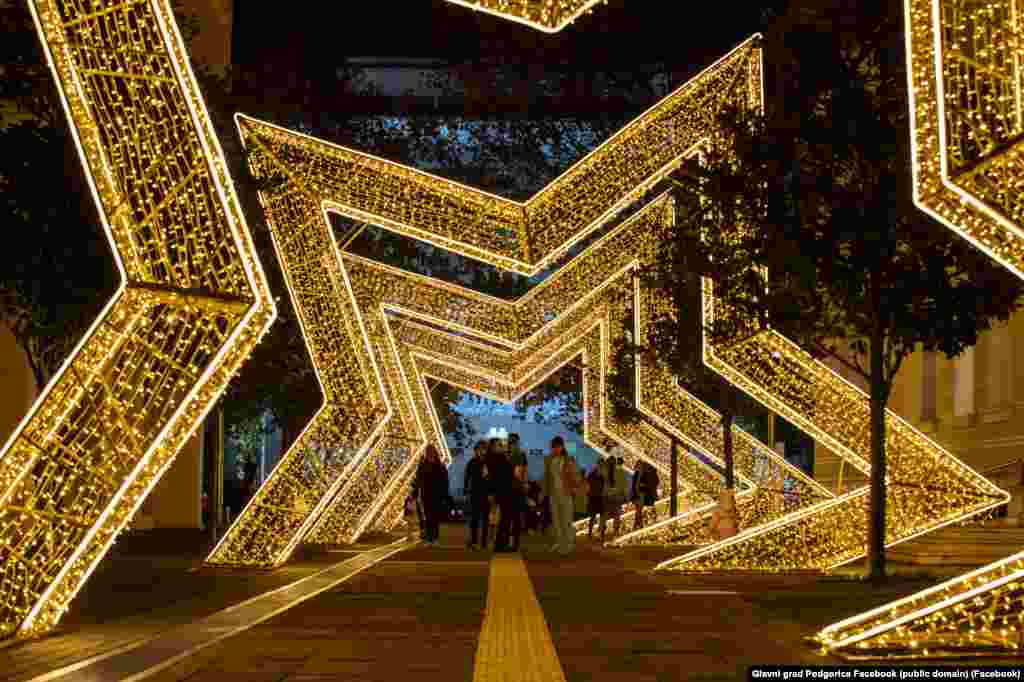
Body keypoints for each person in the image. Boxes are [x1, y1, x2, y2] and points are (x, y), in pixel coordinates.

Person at [542, 436, 580, 555]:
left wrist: (575, 487)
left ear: (562, 447)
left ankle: (567, 545)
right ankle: (560, 543)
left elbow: (575, 476)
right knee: (556, 521)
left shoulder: (569, 459)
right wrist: (544, 492)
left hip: (566, 493)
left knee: (566, 520)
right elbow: (546, 477)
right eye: (553, 447)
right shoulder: (548, 460)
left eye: (558, 447)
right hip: (553, 494)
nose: (555, 449)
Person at [490, 438, 520, 552]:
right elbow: (504, 475)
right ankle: (500, 544)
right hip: (504, 492)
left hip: (504, 492)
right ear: (493, 447)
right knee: (505, 519)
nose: (501, 447)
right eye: (499, 445)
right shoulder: (497, 458)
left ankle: (502, 543)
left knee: (505, 519)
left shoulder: (497, 457)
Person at [415, 445, 448, 545]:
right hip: (426, 494)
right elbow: (418, 479)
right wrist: (416, 492)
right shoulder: (422, 465)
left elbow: (445, 481)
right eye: (427, 452)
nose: (429, 454)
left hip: (437, 494)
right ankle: (430, 538)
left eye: (431, 452)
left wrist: (444, 494)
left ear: (434, 453)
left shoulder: (440, 465)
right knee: (428, 517)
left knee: (435, 517)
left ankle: (435, 538)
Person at [463, 440, 491, 550]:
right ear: (476, 450)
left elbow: (493, 478)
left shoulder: (489, 462)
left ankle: (484, 542)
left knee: (485, 519)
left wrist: (492, 492)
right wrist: (465, 490)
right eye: (479, 449)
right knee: (474, 518)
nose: (482, 451)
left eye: (484, 449)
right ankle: (474, 541)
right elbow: (467, 477)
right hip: (475, 493)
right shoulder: (472, 462)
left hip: (487, 494)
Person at [602, 453, 629, 539]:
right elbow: (624, 485)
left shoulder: (605, 473)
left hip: (607, 496)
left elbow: (602, 486)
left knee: (605, 515)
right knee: (616, 515)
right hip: (616, 497)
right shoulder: (620, 472)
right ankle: (615, 532)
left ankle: (602, 532)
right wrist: (626, 497)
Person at [586, 461, 605, 539]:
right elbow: (587, 485)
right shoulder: (598, 475)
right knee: (595, 516)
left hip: (598, 497)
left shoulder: (593, 474)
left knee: (600, 516)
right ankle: (591, 533)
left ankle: (600, 533)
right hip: (595, 498)